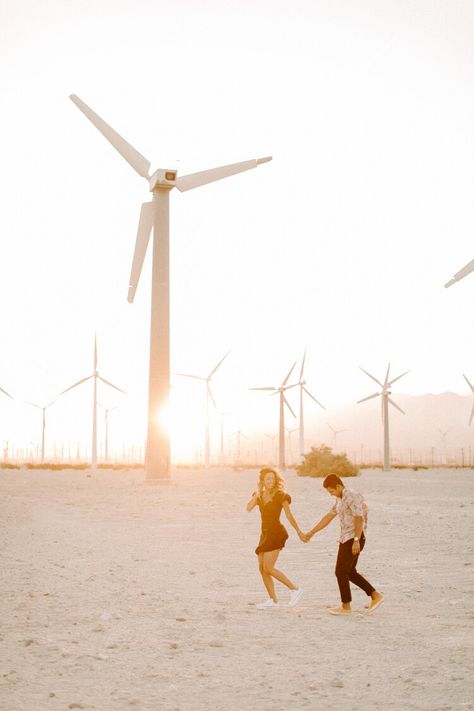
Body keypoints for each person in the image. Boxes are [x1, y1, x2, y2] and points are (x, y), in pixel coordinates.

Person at [303, 474, 384, 615]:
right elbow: (328, 516)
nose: (331, 494)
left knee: (340, 572)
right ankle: (375, 595)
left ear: (339, 486)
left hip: (354, 538)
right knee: (350, 572)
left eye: (332, 491)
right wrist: (312, 532)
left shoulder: (351, 496)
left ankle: (346, 607)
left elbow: (358, 518)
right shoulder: (339, 499)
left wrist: (356, 540)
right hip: (345, 538)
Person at [247, 467, 305, 609]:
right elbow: (248, 508)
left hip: (277, 533)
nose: (271, 481)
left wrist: (298, 531)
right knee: (262, 569)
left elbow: (289, 515)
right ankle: (273, 601)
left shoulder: (281, 495)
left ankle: (295, 589)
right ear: (262, 481)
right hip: (265, 534)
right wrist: (257, 494)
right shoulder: (259, 495)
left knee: (269, 567)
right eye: (268, 478)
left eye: (273, 478)